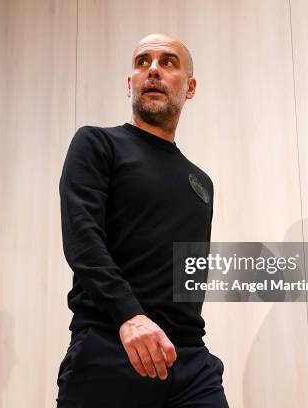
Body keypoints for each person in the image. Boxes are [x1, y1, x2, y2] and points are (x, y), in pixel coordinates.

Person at [56, 33, 229, 408]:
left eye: (168, 62)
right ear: (129, 83)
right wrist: (129, 316)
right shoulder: (97, 144)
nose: (152, 69)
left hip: (188, 361)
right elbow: (83, 240)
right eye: (142, 62)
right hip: (110, 347)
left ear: (190, 87)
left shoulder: (201, 182)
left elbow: (189, 276)